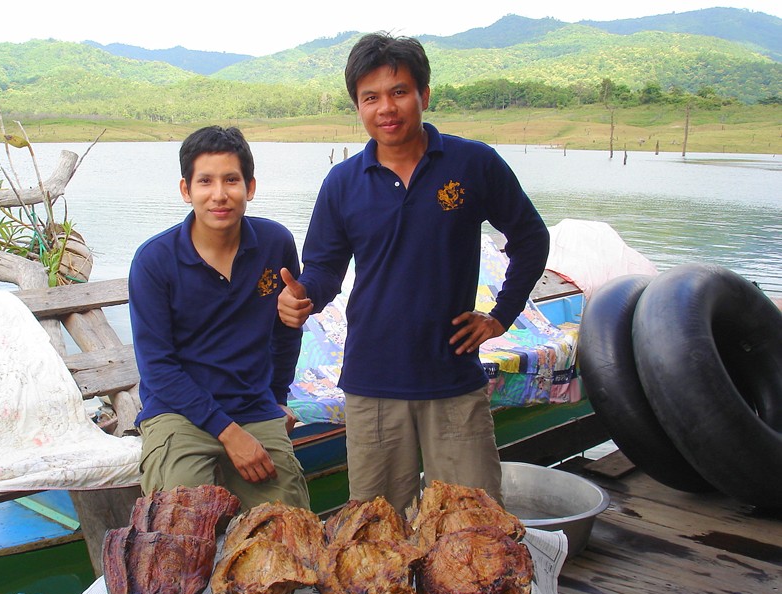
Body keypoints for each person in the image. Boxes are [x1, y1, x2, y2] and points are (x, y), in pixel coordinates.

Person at [277, 33, 549, 514]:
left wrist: (500, 316)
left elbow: (531, 238)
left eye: (399, 91)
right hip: (372, 384)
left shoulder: (473, 163)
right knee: (377, 530)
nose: (387, 107)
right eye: (371, 97)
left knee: (473, 525)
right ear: (358, 107)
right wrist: (303, 299)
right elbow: (323, 270)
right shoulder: (342, 184)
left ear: (424, 94)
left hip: (453, 379)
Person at [129, 125, 310, 511]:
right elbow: (158, 367)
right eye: (205, 181)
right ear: (186, 190)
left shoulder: (275, 243)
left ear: (250, 186)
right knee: (181, 522)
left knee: (287, 525)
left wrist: (278, 399)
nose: (219, 194)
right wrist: (228, 433)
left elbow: (286, 330)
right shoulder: (155, 261)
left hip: (253, 407)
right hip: (177, 413)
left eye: (231, 180)